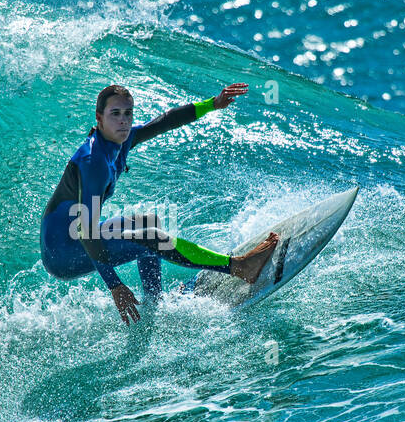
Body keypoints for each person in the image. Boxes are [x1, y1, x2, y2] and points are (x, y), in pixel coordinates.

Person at [40, 82, 279, 325]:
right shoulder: (94, 162)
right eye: (115, 114)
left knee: (147, 223)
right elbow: (86, 231)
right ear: (99, 118)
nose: (123, 120)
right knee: (150, 237)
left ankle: (153, 303)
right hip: (64, 253)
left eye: (128, 113)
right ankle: (239, 267)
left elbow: (165, 121)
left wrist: (212, 104)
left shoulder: (120, 141)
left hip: (76, 233)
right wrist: (115, 285)